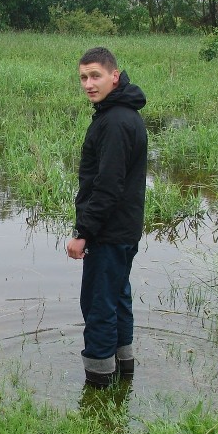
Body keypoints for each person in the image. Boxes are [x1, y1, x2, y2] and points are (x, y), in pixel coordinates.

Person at [66, 47, 147, 388]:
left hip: (110, 231)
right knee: (117, 297)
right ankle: (123, 370)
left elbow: (107, 187)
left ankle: (98, 386)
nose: (88, 83)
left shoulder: (114, 122)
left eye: (95, 75)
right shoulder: (121, 113)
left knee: (99, 303)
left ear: (115, 75)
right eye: (83, 77)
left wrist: (83, 231)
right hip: (124, 228)